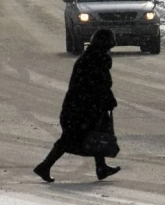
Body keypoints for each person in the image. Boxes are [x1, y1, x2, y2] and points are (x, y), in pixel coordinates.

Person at [34, 29, 121, 182]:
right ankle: (45, 166)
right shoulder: (97, 59)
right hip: (83, 108)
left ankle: (101, 167)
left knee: (96, 135)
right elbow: (99, 85)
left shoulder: (91, 57)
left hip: (80, 106)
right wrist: (105, 100)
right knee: (74, 138)